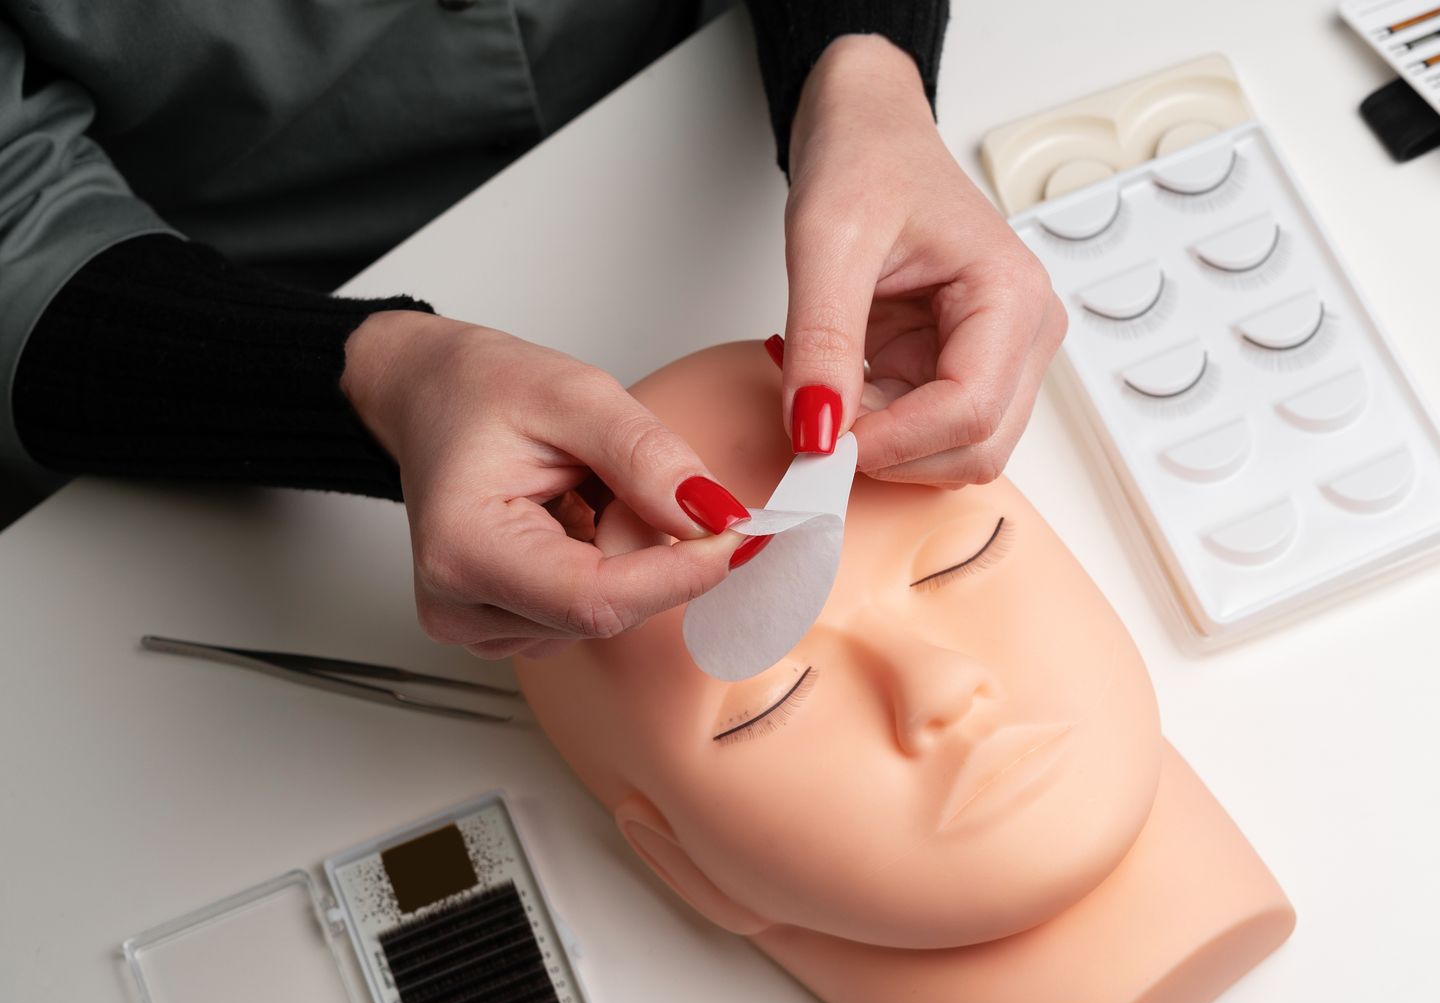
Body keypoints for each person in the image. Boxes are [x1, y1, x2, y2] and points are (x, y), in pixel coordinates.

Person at [0, 1, 1067, 659]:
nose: (942, 696)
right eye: (762, 703)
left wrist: (861, 63)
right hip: (230, 294)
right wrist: (366, 381)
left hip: (719, 111)